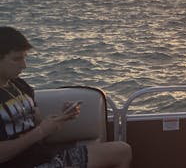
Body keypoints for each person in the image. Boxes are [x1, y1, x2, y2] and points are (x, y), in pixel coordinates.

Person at [0, 26, 132, 168]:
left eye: (24, 58)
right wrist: (40, 131)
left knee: (122, 151)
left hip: (45, 158)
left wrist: (61, 118)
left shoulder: (20, 86)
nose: (24, 65)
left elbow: (41, 128)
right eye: (16, 59)